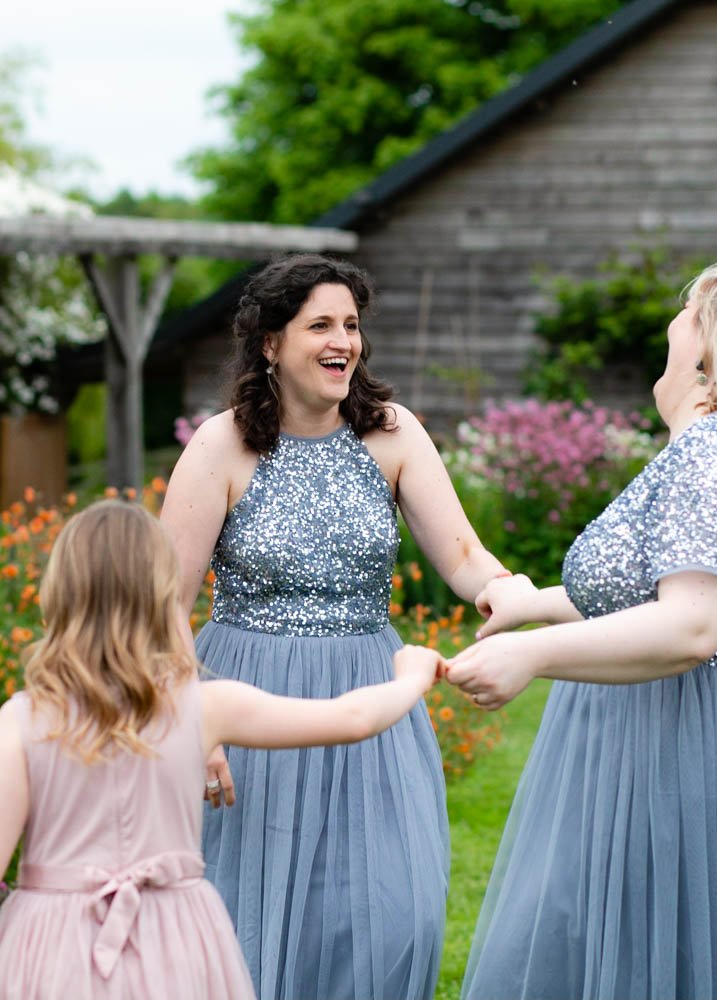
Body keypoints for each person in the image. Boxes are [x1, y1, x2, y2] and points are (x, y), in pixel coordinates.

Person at [449, 249, 717, 999]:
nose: (672, 327)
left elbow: (691, 628)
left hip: (697, 749)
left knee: (682, 960)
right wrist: (536, 602)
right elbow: (667, 588)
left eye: (685, 313)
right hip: (665, 742)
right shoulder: (715, 447)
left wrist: (532, 654)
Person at [0, 501, 445, 1000]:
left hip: (50, 950)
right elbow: (352, 718)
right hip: (177, 940)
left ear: (56, 594)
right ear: (161, 598)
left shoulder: (22, 720)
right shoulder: (204, 707)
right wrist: (411, 677)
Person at [160, 253, 510, 998]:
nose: (342, 341)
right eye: (320, 324)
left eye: (351, 325)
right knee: (250, 923)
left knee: (394, 917)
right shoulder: (221, 446)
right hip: (250, 706)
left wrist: (518, 601)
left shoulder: (393, 433)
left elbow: (468, 557)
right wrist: (195, 716)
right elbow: (162, 605)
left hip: (371, 699)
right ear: (270, 343)